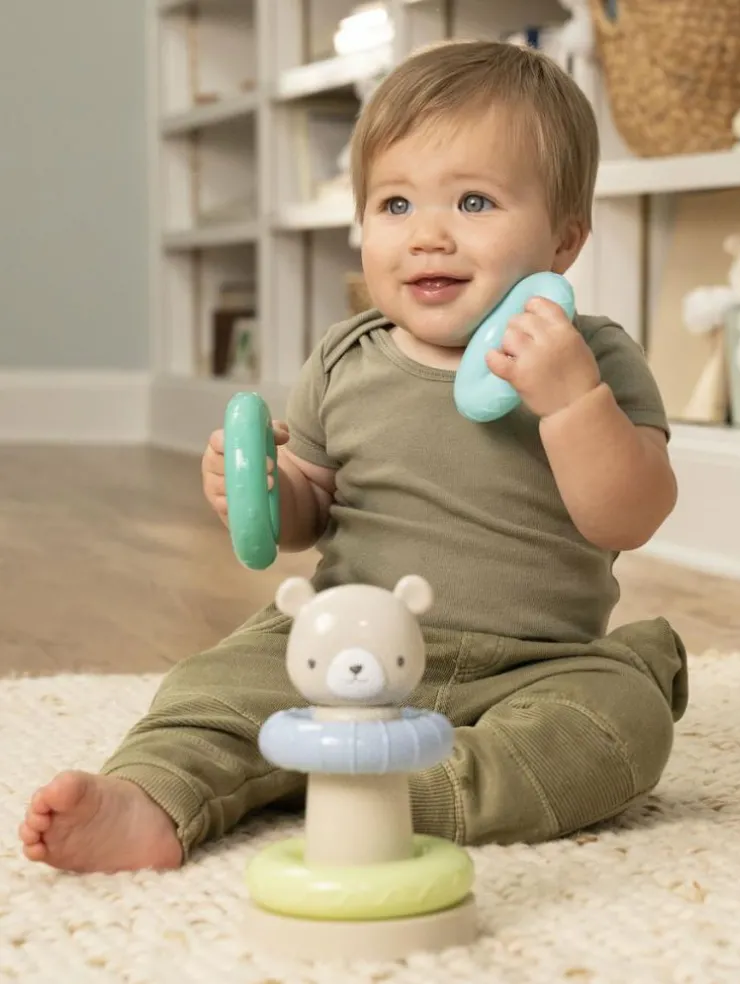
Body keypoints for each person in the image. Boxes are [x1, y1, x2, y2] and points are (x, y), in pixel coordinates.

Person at [19, 39, 688, 874]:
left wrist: (573, 402)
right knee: (213, 685)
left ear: (565, 240)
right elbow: (311, 508)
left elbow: (630, 516)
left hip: (535, 661)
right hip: (346, 643)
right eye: (395, 204)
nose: (428, 236)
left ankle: (409, 793)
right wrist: (269, 490)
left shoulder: (593, 356)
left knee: (619, 725)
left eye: (474, 202)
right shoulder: (347, 357)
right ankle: (151, 795)